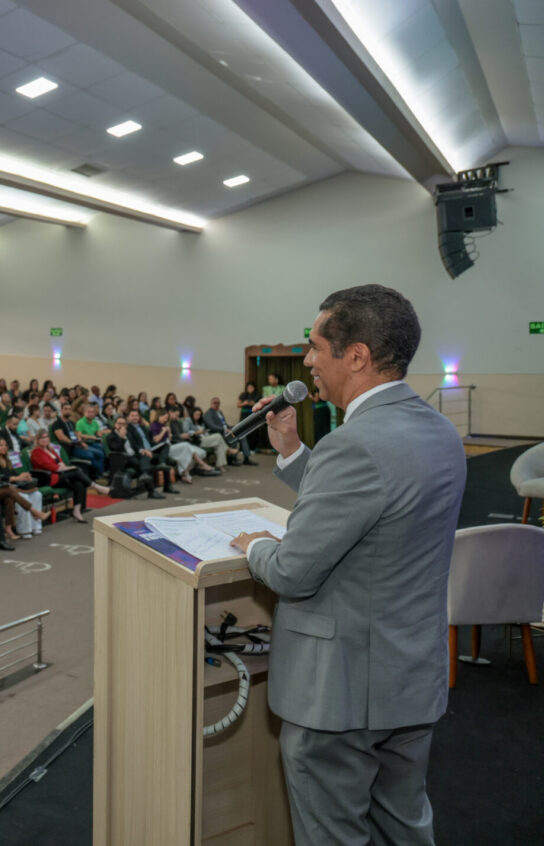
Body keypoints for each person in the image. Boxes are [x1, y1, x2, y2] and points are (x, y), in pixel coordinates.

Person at [229, 285, 466, 846]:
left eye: (314, 347)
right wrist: (291, 451)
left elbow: (292, 572)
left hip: (342, 697)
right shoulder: (438, 430)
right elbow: (371, 505)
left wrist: (256, 545)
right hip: (409, 679)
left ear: (355, 355)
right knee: (404, 828)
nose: (307, 361)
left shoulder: (354, 444)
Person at [0, 438, 47, 539]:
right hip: (2, 487)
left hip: (14, 486)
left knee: (37, 494)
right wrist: (16, 478)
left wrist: (23, 476)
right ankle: (25, 529)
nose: (4, 447)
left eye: (5, 445)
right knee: (23, 496)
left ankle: (35, 526)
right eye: (1, 445)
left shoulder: (7, 459)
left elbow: (14, 474)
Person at [28, 430, 92, 524]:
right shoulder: (36, 452)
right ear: (37, 440)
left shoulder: (51, 449)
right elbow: (50, 467)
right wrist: (66, 468)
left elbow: (60, 461)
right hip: (48, 478)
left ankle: (77, 512)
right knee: (76, 472)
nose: (44, 440)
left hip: (60, 476)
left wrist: (65, 467)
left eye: (46, 437)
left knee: (78, 483)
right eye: (42, 438)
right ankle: (94, 485)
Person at [204, 396, 256, 465]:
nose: (216, 404)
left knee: (242, 434)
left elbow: (225, 424)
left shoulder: (219, 412)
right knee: (233, 436)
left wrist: (233, 427)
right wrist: (226, 429)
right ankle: (232, 459)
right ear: (211, 404)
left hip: (226, 431)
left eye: (218, 403)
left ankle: (246, 458)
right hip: (218, 434)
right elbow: (212, 427)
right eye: (214, 403)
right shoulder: (208, 414)